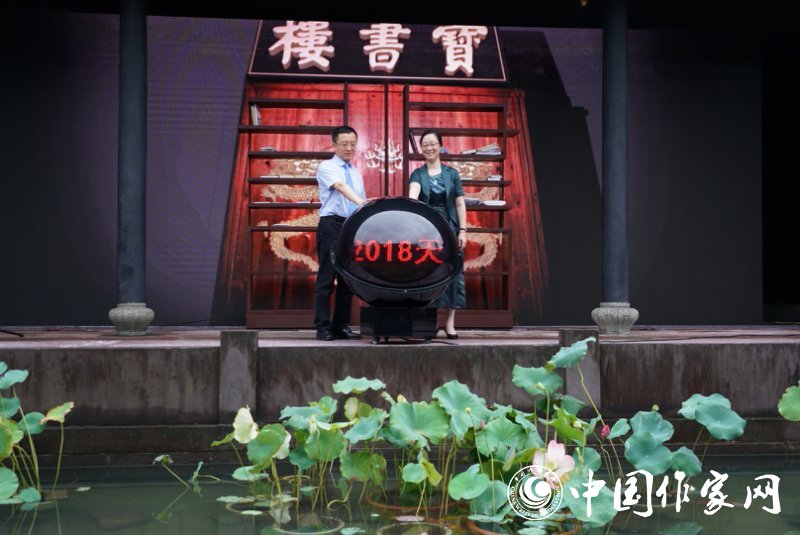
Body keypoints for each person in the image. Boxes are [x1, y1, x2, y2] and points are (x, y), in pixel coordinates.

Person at [408, 130, 467, 339]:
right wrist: (411, 199)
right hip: (427, 230)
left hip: (450, 229)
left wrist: (463, 230)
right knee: (428, 273)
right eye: (425, 144)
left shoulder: (452, 174)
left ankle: (450, 323)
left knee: (454, 274)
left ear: (440, 146)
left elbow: (459, 203)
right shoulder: (417, 174)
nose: (429, 147)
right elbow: (413, 194)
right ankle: (429, 322)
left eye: (432, 143)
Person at [313, 126, 366, 341]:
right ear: (334, 145)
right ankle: (322, 326)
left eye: (352, 144)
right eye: (344, 144)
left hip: (351, 226)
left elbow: (359, 201)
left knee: (347, 279)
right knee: (327, 277)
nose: (349, 148)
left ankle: (340, 326)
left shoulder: (356, 172)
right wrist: (363, 203)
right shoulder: (327, 167)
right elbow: (341, 187)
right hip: (331, 225)